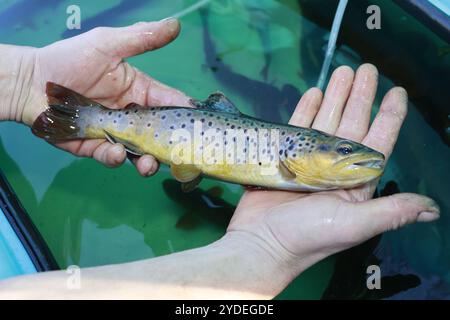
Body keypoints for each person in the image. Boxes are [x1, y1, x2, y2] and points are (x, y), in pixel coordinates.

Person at [0, 18, 440, 299]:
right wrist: (21, 82)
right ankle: (86, 117)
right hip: (160, 131)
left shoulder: (300, 163)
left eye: (346, 151)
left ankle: (84, 116)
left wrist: (22, 81)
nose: (352, 155)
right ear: (304, 150)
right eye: (343, 150)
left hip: (170, 133)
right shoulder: (288, 162)